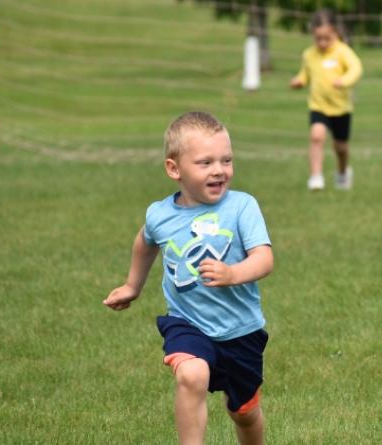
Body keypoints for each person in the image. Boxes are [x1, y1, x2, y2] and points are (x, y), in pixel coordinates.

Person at [103, 111, 274, 445]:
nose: (219, 170)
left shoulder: (242, 207)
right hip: (188, 323)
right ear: (174, 169)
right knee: (192, 374)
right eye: (205, 162)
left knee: (244, 413)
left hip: (241, 331)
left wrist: (233, 273)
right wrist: (132, 286)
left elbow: (264, 259)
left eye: (226, 160)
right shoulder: (160, 215)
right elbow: (145, 241)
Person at [289, 9, 363, 191]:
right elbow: (306, 74)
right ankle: (316, 177)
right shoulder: (309, 55)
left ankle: (343, 172)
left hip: (341, 108)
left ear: (336, 32)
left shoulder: (343, 52)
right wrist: (299, 81)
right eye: (318, 38)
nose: (322, 43)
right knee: (316, 136)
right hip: (318, 106)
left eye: (327, 38)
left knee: (341, 147)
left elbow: (356, 68)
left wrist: (344, 80)